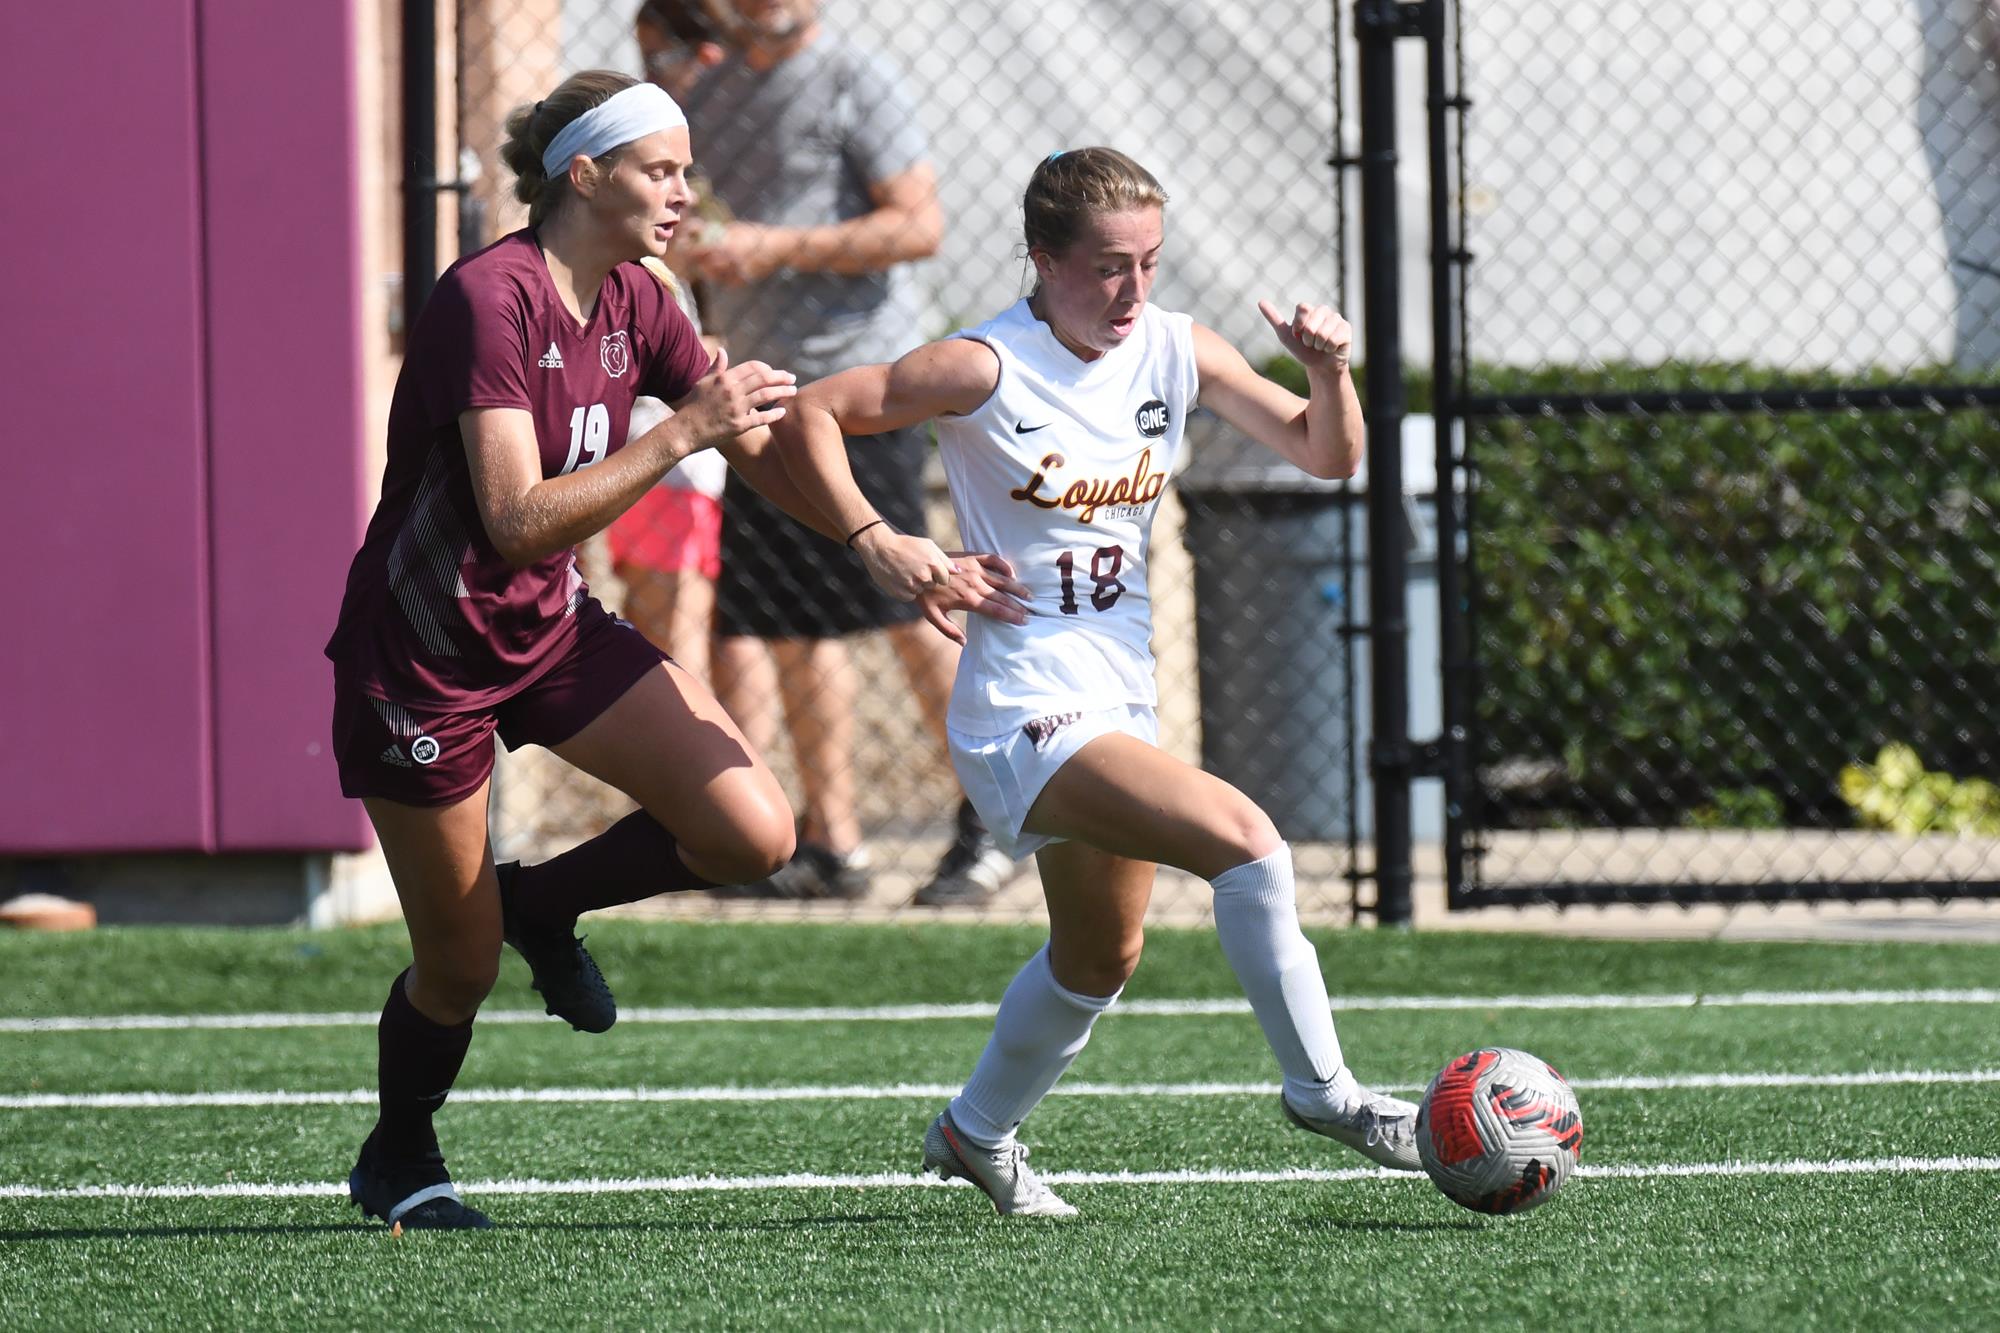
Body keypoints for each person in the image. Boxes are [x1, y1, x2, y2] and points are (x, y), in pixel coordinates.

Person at [322, 69, 1016, 1231]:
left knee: (752, 830)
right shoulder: (487, 300)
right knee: (457, 968)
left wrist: (879, 542)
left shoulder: (640, 296)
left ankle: (539, 902)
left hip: (546, 628)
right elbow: (514, 519)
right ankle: (399, 1154)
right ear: (580, 175)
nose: (684, 193)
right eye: (661, 169)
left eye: (685, 171)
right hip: (425, 654)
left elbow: (751, 447)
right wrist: (683, 430)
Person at [774, 147, 1420, 1215]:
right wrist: (878, 540)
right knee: (1248, 842)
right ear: (1042, 258)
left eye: (1149, 264)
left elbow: (1322, 454)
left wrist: (1327, 369)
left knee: (1097, 954)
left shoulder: (1175, 349)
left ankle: (974, 1132)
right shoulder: (985, 362)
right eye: (1108, 266)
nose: (1131, 290)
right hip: (1023, 702)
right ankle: (1325, 1093)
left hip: (1118, 695)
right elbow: (813, 414)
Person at [680, 0, 1014, 905]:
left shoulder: (856, 80)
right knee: (788, 624)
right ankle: (834, 844)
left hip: (856, 394)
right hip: (761, 392)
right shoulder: (703, 95)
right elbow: (700, 239)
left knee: (914, 604)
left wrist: (774, 247)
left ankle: (994, 815)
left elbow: (918, 225)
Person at [603, 1, 736, 680]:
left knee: (676, 637)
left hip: (680, 455)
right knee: (662, 633)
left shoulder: (720, 122)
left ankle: (687, 780)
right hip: (652, 450)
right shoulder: (638, 278)